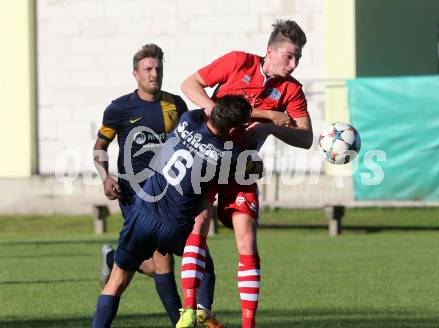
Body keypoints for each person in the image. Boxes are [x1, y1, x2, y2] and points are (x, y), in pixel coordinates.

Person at [180, 19, 313, 328]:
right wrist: (216, 111)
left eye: (298, 58)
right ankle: (189, 310)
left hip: (242, 166)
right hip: (208, 156)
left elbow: (306, 138)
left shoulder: (291, 90)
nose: (293, 65)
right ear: (270, 51)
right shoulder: (238, 61)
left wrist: (269, 127)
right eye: (289, 56)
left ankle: (248, 324)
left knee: (247, 240)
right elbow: (189, 84)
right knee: (198, 224)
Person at [92, 95, 257, 328]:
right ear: (233, 129)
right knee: (204, 267)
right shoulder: (224, 156)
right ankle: (200, 311)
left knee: (117, 281)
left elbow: (202, 113)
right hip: (176, 226)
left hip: (143, 214)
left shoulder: (187, 121)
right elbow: (255, 168)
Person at [93, 43, 217, 327]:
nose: (154, 74)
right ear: (135, 74)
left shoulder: (176, 105)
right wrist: (106, 177)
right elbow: (100, 146)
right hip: (134, 194)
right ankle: (180, 321)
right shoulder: (119, 108)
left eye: (158, 68)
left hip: (167, 194)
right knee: (161, 261)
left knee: (153, 262)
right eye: (148, 69)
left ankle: (113, 257)